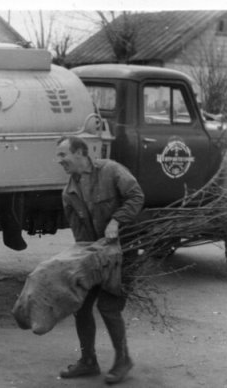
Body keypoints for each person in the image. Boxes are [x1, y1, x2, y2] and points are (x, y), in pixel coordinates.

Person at [55, 135, 144, 385]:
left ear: (81, 153)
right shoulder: (69, 193)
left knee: (108, 306)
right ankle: (88, 361)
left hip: (125, 250)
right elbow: (80, 236)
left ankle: (123, 360)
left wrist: (116, 220)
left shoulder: (111, 170)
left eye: (63, 155)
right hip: (97, 254)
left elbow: (136, 197)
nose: (58, 161)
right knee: (80, 305)